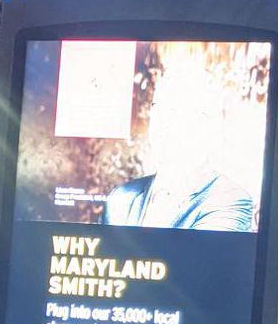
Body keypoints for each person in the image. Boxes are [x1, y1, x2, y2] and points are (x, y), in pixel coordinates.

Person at [103, 48, 257, 231]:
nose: (167, 123)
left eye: (183, 113)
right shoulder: (120, 199)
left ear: (210, 126)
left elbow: (195, 259)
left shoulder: (231, 199)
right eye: (161, 109)